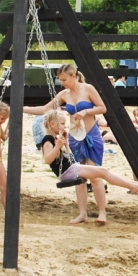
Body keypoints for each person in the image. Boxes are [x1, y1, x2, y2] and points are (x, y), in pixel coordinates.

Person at [25, 63, 115, 221]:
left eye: (64, 79)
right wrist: (22, 108)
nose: (62, 83)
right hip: (75, 137)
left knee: (95, 175)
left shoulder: (88, 89)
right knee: (78, 177)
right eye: (60, 80)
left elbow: (102, 108)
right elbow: (45, 109)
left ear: (74, 76)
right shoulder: (64, 94)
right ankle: (82, 213)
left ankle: (102, 212)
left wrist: (86, 111)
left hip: (91, 135)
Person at [39, 110, 138, 224]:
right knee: (103, 171)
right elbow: (47, 159)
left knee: (102, 171)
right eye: (62, 124)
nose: (65, 126)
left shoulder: (57, 138)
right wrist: (58, 146)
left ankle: (133, 185)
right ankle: (132, 186)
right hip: (68, 172)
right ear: (52, 124)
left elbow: (70, 158)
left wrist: (66, 144)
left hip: (72, 168)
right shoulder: (47, 139)